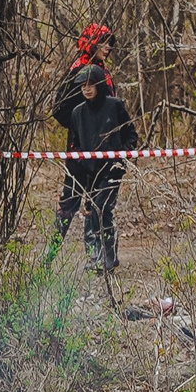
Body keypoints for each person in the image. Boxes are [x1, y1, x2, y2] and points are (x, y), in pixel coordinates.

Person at [50, 63, 137, 270]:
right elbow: (75, 144)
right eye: (83, 86)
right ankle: (102, 256)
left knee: (103, 208)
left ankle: (108, 255)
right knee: (93, 210)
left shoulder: (115, 106)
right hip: (89, 172)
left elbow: (131, 134)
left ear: (99, 84)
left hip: (112, 170)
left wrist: (122, 157)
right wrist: (80, 165)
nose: (87, 89)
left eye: (90, 84)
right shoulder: (77, 113)